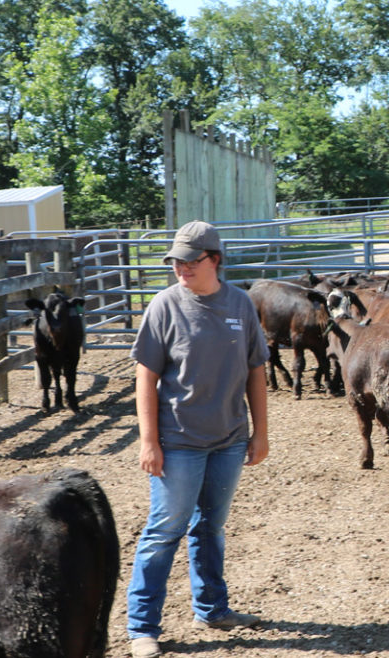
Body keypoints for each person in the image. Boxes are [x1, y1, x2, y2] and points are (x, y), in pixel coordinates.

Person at [125, 221, 270, 658]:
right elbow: (145, 378)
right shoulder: (164, 306)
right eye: (176, 261)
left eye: (191, 260)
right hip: (179, 441)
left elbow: (256, 371)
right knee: (164, 530)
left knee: (210, 527)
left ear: (215, 260)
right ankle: (142, 627)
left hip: (228, 438)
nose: (181, 268)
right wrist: (149, 441)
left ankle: (211, 608)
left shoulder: (240, 304)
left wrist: (260, 433)